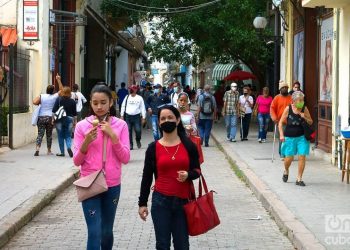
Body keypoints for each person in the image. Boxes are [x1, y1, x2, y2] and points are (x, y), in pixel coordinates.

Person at [73, 84, 130, 249]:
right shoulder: (82, 126)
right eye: (95, 102)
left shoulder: (120, 125)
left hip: (112, 184)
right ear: (90, 103)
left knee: (106, 230)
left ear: (111, 103)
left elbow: (125, 158)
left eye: (103, 102)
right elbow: (76, 161)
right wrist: (86, 143)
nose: (99, 106)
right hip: (89, 182)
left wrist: (113, 135)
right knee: (94, 231)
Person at [138, 105, 201, 250]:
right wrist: (142, 203)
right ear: (159, 123)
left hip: (183, 202)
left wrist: (188, 175)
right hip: (161, 202)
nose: (167, 121)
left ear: (178, 120)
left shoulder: (189, 145)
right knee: (162, 244)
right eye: (163, 118)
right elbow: (147, 177)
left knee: (182, 245)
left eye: (170, 117)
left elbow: (197, 170)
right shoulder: (153, 148)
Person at [279, 91, 313, 186]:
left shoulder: (304, 108)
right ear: (293, 101)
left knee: (302, 156)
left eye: (302, 100)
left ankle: (299, 179)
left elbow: (310, 122)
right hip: (289, 137)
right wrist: (281, 135)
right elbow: (280, 123)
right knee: (288, 159)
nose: (301, 102)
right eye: (299, 100)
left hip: (302, 137)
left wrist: (304, 116)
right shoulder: (288, 109)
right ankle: (286, 170)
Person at [32, 74, 63, 156]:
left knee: (40, 134)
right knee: (49, 135)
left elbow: (34, 102)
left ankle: (37, 149)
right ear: (53, 91)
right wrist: (58, 80)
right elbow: (62, 90)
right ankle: (49, 151)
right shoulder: (54, 96)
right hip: (50, 118)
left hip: (41, 118)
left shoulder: (42, 96)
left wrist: (40, 101)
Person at [52, 86, 77, 157]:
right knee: (68, 135)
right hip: (69, 119)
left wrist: (53, 119)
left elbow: (54, 111)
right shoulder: (72, 101)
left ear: (63, 92)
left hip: (59, 119)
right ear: (70, 93)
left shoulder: (59, 99)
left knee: (60, 136)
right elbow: (74, 114)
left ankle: (62, 152)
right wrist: (75, 122)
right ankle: (69, 147)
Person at [270, 80, 293, 158]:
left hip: (291, 121)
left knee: (290, 138)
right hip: (281, 122)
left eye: (286, 88)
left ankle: (288, 153)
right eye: (283, 88)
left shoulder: (291, 97)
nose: (285, 89)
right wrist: (274, 118)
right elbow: (272, 108)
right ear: (280, 89)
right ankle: (282, 154)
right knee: (282, 138)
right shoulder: (277, 98)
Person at [120, 85, 146, 150]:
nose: (130, 90)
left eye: (132, 89)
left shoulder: (139, 98)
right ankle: (130, 144)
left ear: (136, 90)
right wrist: (122, 115)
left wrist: (143, 117)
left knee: (138, 130)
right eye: (130, 89)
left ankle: (138, 140)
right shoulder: (127, 97)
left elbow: (142, 107)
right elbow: (123, 106)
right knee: (128, 131)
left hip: (137, 116)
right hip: (128, 116)